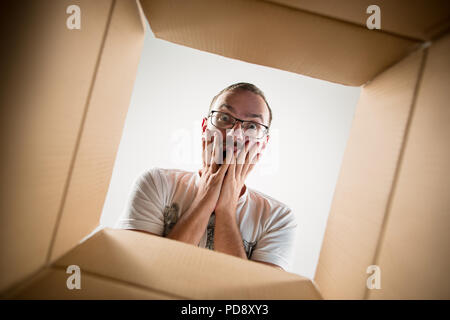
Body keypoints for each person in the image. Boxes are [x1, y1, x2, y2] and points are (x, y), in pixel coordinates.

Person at [116, 82, 297, 271]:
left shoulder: (278, 218)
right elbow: (136, 272)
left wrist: (226, 210)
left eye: (252, 126)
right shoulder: (157, 183)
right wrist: (206, 198)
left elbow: (249, 297)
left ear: (263, 144)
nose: (235, 135)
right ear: (205, 128)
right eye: (224, 117)